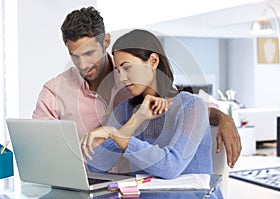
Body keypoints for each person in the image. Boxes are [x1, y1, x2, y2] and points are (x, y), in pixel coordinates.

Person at [32, 6, 241, 168]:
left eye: (89, 54)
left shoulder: (140, 84)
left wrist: (224, 118)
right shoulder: (125, 105)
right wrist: (133, 121)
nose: (83, 64)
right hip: (100, 186)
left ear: (105, 42)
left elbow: (189, 108)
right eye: (74, 56)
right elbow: (44, 150)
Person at [81, 29, 223, 198]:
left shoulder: (192, 107)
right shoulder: (126, 110)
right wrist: (137, 119)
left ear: (153, 61)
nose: (122, 78)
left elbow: (171, 167)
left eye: (127, 67)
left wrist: (116, 135)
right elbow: (98, 166)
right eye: (118, 71)